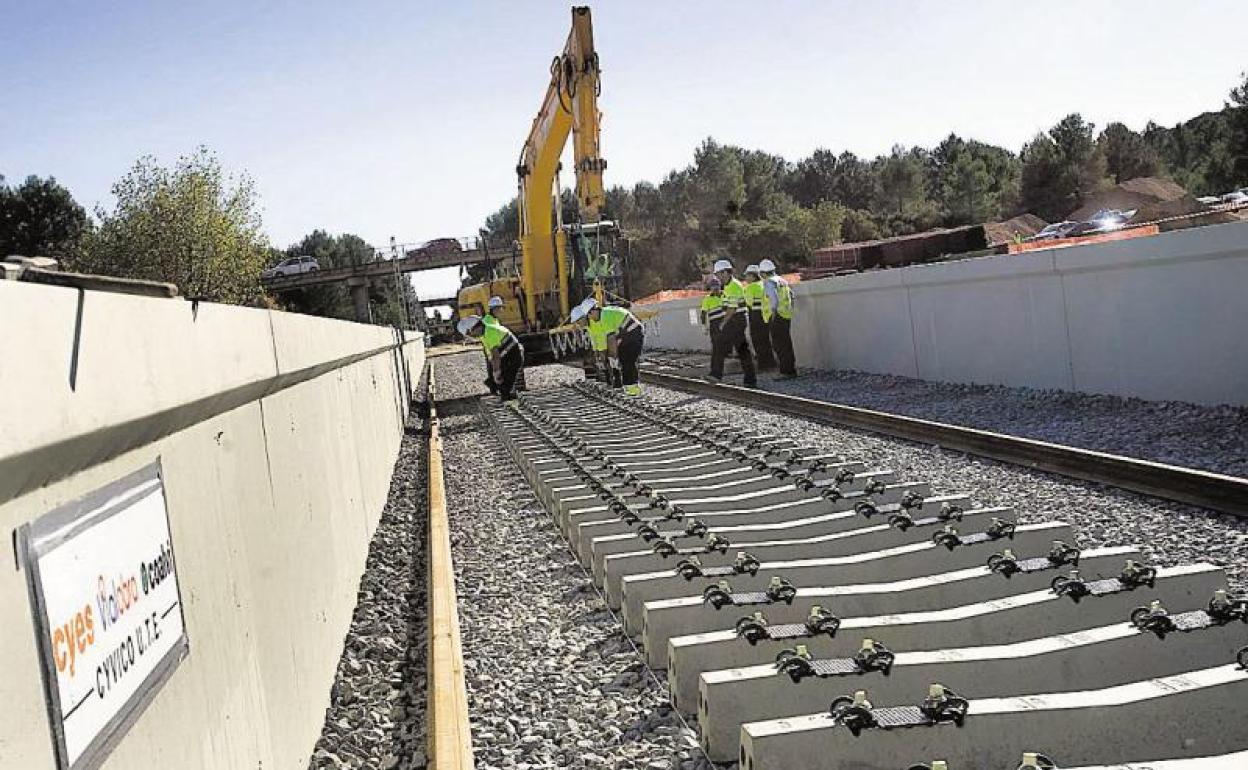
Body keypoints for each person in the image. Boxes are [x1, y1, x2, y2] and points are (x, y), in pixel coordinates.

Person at [707, 259, 757, 388]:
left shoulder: (734, 286)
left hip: (736, 319)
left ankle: (716, 374)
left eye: (718, 274)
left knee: (723, 345)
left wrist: (723, 323)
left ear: (725, 272)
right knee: (739, 349)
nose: (718, 277)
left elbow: (732, 308)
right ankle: (749, 379)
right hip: (734, 320)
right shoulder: (728, 286)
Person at [581, 298, 645, 396]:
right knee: (624, 360)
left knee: (628, 360)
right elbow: (607, 340)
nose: (590, 318)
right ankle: (629, 388)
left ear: (594, 310)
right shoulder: (602, 316)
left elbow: (611, 340)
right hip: (625, 334)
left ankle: (633, 390)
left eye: (589, 315)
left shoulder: (606, 316)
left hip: (634, 333)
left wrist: (613, 358)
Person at [458, 314, 524, 401]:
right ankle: (505, 394)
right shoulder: (484, 333)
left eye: (470, 334)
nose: (472, 337)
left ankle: (507, 396)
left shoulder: (490, 332)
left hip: (513, 354)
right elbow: (492, 355)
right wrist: (494, 370)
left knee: (505, 378)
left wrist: (496, 371)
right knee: (499, 379)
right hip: (507, 354)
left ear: (474, 328)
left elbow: (495, 355)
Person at [759, 259, 796, 379]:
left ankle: (785, 372)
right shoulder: (782, 281)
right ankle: (790, 369)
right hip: (786, 315)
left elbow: (773, 300)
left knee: (779, 345)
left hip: (777, 316)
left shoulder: (769, 282)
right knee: (786, 344)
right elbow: (791, 295)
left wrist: (773, 313)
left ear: (763, 273)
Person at [742, 264, 776, 371]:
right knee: (766, 339)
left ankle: (763, 365)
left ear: (753, 276)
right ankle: (771, 363)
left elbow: (748, 302)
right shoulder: (764, 284)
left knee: (757, 340)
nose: (746, 278)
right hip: (765, 315)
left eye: (747, 275)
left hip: (755, 316)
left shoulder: (751, 287)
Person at [480, 295, 506, 393]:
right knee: (496, 371)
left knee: (496, 371)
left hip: (494, 349)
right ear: (494, 309)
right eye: (500, 308)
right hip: (492, 349)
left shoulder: (493, 320)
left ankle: (495, 388)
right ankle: (496, 389)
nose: (501, 311)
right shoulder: (488, 321)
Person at [699, 276, 725, 345]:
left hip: (725, 322)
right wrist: (704, 326)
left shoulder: (725, 295)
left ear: (720, 286)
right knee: (716, 344)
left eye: (717, 286)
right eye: (713, 286)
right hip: (714, 324)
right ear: (710, 288)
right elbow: (703, 313)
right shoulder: (707, 299)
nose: (715, 288)